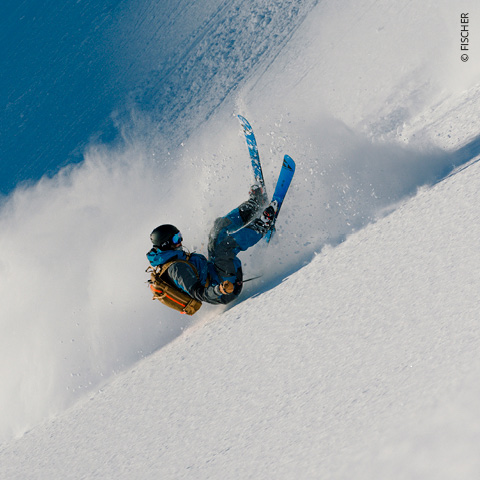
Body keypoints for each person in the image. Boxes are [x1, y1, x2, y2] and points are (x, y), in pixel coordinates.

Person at [146, 185, 278, 305]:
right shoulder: (176, 269)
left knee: (217, 230)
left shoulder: (172, 256)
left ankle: (254, 204)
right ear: (166, 244)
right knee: (224, 249)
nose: (180, 241)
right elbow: (199, 293)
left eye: (179, 236)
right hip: (224, 289)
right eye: (176, 239)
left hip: (215, 272)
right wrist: (219, 289)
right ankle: (262, 224)